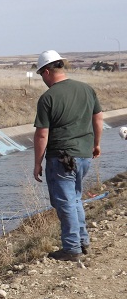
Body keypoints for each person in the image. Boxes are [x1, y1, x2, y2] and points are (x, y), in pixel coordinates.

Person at [33, 50, 103, 262]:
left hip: (61, 158)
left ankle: (72, 248)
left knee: (65, 203)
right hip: (84, 155)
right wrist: (96, 144)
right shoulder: (86, 89)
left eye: (41, 75)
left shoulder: (48, 98)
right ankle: (83, 241)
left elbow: (42, 134)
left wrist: (37, 163)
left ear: (47, 72)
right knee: (74, 199)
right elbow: (98, 119)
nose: (42, 80)